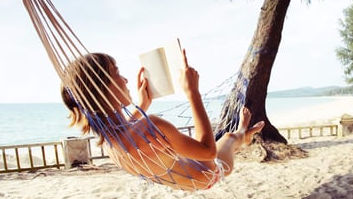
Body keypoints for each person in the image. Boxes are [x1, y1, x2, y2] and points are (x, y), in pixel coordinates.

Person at [61, 49, 264, 191]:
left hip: (184, 176)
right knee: (228, 139)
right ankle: (242, 134)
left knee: (229, 137)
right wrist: (192, 92)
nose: (125, 80)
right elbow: (208, 152)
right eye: (117, 73)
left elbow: (126, 130)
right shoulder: (152, 126)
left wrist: (143, 104)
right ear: (101, 90)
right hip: (209, 172)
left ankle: (243, 134)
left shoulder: (109, 141)